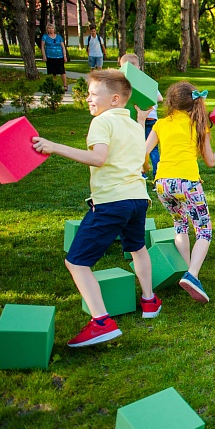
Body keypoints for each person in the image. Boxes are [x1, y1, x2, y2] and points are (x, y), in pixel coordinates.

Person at [31, 70, 156, 347]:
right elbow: (141, 161)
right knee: (137, 247)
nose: (88, 98)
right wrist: (141, 119)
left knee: (76, 262)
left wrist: (54, 147)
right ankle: (149, 301)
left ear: (114, 99)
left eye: (92, 94)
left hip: (112, 202)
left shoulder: (102, 121)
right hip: (138, 199)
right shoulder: (134, 125)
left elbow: (98, 158)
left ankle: (101, 322)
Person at [141, 81, 215, 301]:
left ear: (170, 102)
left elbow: (143, 153)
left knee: (180, 223)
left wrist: (146, 165)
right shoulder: (199, 125)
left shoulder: (160, 124)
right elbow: (211, 161)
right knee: (204, 230)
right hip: (188, 184)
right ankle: (192, 274)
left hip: (162, 184)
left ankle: (186, 272)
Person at [120, 53, 164, 178]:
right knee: (153, 148)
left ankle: (140, 172)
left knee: (135, 146)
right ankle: (157, 174)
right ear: (138, 67)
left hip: (136, 119)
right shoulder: (146, 81)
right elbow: (160, 98)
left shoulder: (124, 84)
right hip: (151, 118)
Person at [40, 23, 68, 92]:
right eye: (49, 28)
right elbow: (42, 47)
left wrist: (65, 56)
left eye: (52, 28)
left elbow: (63, 47)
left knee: (62, 71)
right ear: (47, 29)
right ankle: (54, 85)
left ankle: (65, 85)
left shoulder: (59, 37)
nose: (51, 30)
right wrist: (44, 56)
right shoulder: (45, 37)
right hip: (50, 57)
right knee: (53, 72)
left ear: (54, 29)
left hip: (59, 56)